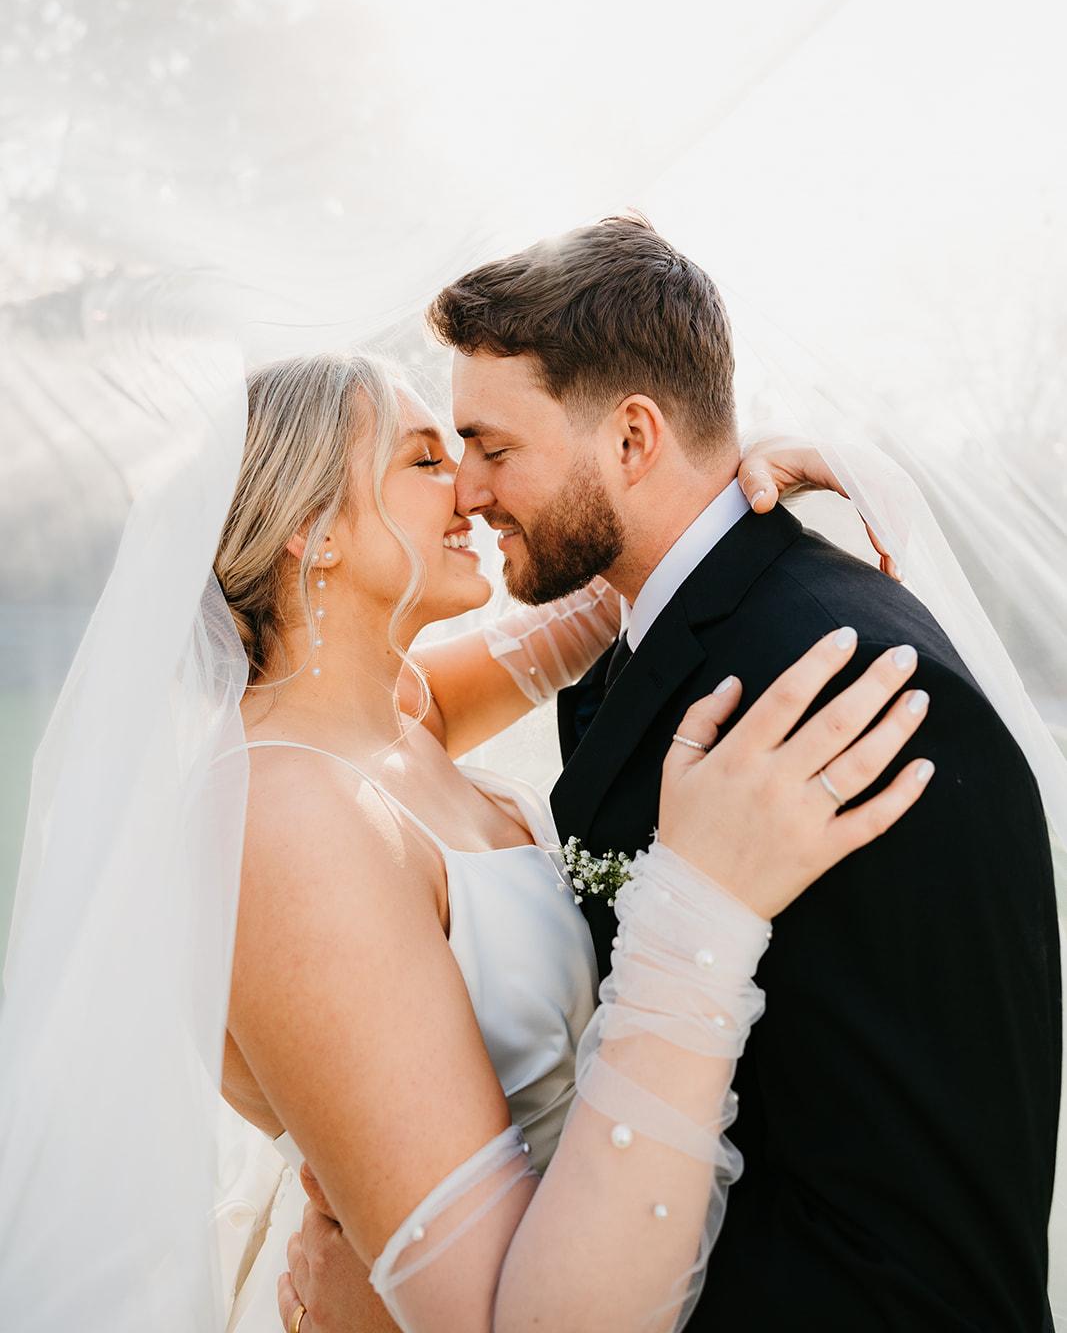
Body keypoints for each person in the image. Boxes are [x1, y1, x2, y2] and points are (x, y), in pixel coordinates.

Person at [291, 215, 1060, 1331]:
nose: (468, 491)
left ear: (632, 438)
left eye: (492, 447)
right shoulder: (649, 637)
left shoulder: (832, 683)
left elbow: (919, 1194)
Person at [209, 346, 931, 1333]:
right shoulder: (285, 813)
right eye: (424, 459)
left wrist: (725, 483)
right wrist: (702, 898)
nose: (469, 488)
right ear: (311, 532)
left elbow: (598, 601)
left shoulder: (396, 718)